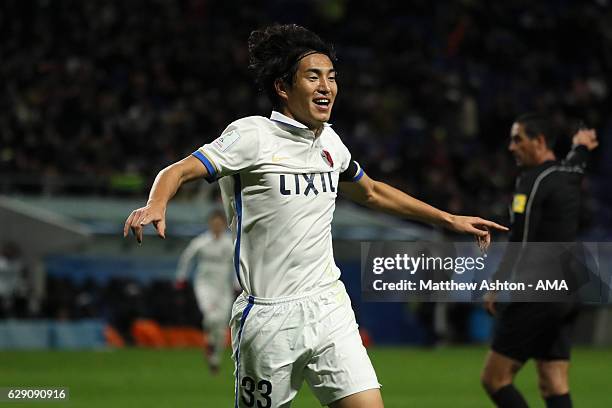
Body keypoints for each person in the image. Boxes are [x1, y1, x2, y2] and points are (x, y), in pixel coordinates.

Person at [124, 24, 507, 408]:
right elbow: (177, 171)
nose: (326, 86)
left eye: (331, 77)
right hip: (268, 317)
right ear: (283, 87)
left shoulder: (329, 141)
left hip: (329, 305)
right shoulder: (251, 136)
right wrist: (157, 203)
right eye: (313, 77)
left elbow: (371, 191)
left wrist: (448, 219)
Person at [481, 113, 598, 408]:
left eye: (518, 139)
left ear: (540, 141)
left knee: (495, 379)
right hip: (569, 291)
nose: (511, 147)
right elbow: (577, 161)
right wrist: (581, 144)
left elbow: (521, 240)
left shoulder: (532, 182)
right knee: (553, 381)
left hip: (538, 291)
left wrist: (497, 283)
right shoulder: (568, 172)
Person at [175, 210, 236, 374]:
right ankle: (209, 339)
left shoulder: (230, 243)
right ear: (210, 224)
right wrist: (181, 278)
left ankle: (214, 359)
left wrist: (238, 284)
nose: (216, 226)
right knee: (211, 317)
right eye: (214, 223)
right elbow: (186, 258)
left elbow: (239, 264)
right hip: (204, 285)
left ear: (224, 224)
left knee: (222, 325)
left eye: (220, 223)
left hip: (224, 288)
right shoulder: (201, 242)